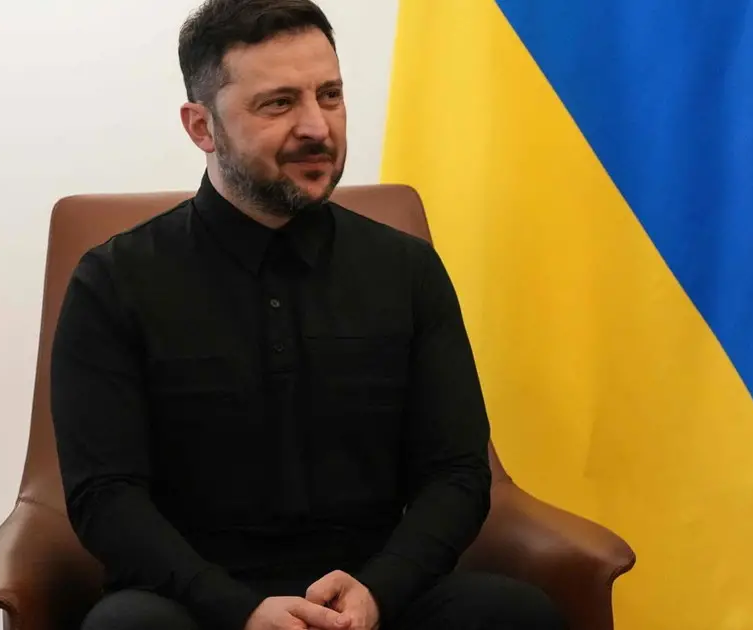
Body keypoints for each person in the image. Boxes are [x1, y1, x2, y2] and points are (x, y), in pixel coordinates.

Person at [50, 1, 566, 629]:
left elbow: (455, 473)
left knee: (513, 614)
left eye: (330, 95)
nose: (318, 127)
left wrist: (379, 590)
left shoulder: (407, 270)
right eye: (279, 104)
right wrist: (239, 610)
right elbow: (105, 496)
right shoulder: (113, 281)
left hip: (372, 596)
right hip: (197, 606)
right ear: (202, 127)